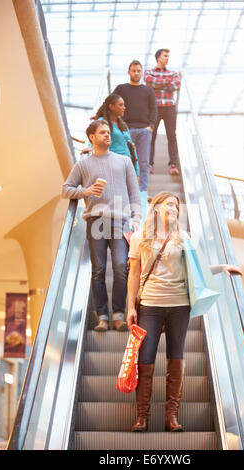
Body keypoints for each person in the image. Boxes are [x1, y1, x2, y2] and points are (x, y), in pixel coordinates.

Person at [126, 191, 242, 432]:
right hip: (150, 305)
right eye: (169, 204)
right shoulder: (139, 237)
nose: (174, 209)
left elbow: (197, 269)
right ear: (156, 208)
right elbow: (134, 274)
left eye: (176, 206)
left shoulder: (183, 237)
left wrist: (223, 267)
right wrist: (130, 307)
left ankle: (171, 417)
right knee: (145, 360)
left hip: (179, 305)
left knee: (176, 359)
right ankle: (142, 417)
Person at [62, 119, 142, 332]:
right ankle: (102, 317)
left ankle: (118, 314)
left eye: (108, 132)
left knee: (120, 267)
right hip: (95, 220)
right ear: (91, 136)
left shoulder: (124, 161)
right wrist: (85, 192)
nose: (107, 135)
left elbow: (134, 193)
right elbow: (66, 189)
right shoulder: (83, 164)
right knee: (98, 271)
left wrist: (136, 219)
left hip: (120, 221)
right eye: (102, 132)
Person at [113, 60, 157, 193]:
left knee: (143, 163)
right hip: (126, 130)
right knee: (125, 162)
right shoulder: (121, 88)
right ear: (128, 72)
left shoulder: (148, 90)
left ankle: (142, 192)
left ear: (142, 73)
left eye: (138, 71)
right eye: (134, 71)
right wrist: (99, 116)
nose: (136, 73)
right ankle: (125, 191)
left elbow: (154, 109)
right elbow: (110, 103)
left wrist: (151, 127)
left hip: (145, 131)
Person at [81, 94, 140, 178]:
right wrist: (91, 147)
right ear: (111, 106)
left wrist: (136, 171)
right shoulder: (102, 122)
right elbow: (95, 135)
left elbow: (132, 147)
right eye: (121, 105)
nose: (124, 107)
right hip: (112, 167)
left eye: (124, 104)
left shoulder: (122, 124)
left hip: (128, 167)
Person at [144, 49, 181, 176]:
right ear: (158, 57)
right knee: (151, 136)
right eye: (165, 56)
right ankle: (149, 164)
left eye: (168, 56)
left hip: (170, 107)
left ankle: (173, 165)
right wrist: (167, 83)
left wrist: (158, 85)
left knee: (172, 136)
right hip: (154, 107)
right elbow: (150, 82)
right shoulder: (149, 72)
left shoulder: (173, 73)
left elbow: (176, 85)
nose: (167, 58)